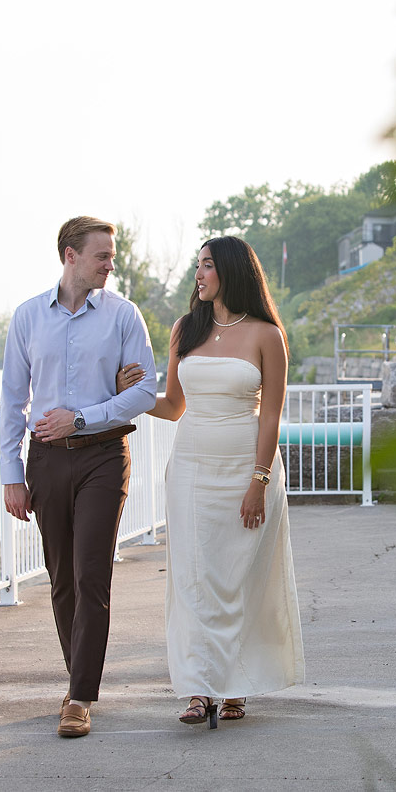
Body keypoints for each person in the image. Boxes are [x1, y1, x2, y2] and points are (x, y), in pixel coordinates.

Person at [117, 235, 304, 726]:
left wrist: (259, 482)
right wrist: (132, 395)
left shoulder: (268, 335)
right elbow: (174, 406)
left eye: (206, 266)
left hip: (247, 469)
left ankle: (236, 683)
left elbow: (271, 418)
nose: (197, 275)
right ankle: (200, 689)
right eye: (196, 267)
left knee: (239, 578)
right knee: (196, 579)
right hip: (191, 471)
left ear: (231, 271)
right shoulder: (186, 329)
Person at [0, 216, 157, 738]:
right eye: (102, 256)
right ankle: (77, 677)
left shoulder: (123, 315)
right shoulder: (27, 318)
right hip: (46, 460)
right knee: (62, 579)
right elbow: (12, 402)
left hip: (103, 456)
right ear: (70, 255)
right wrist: (11, 473)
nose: (111, 265)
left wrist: (84, 416)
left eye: (111, 256)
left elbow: (143, 391)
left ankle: (79, 695)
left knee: (92, 573)